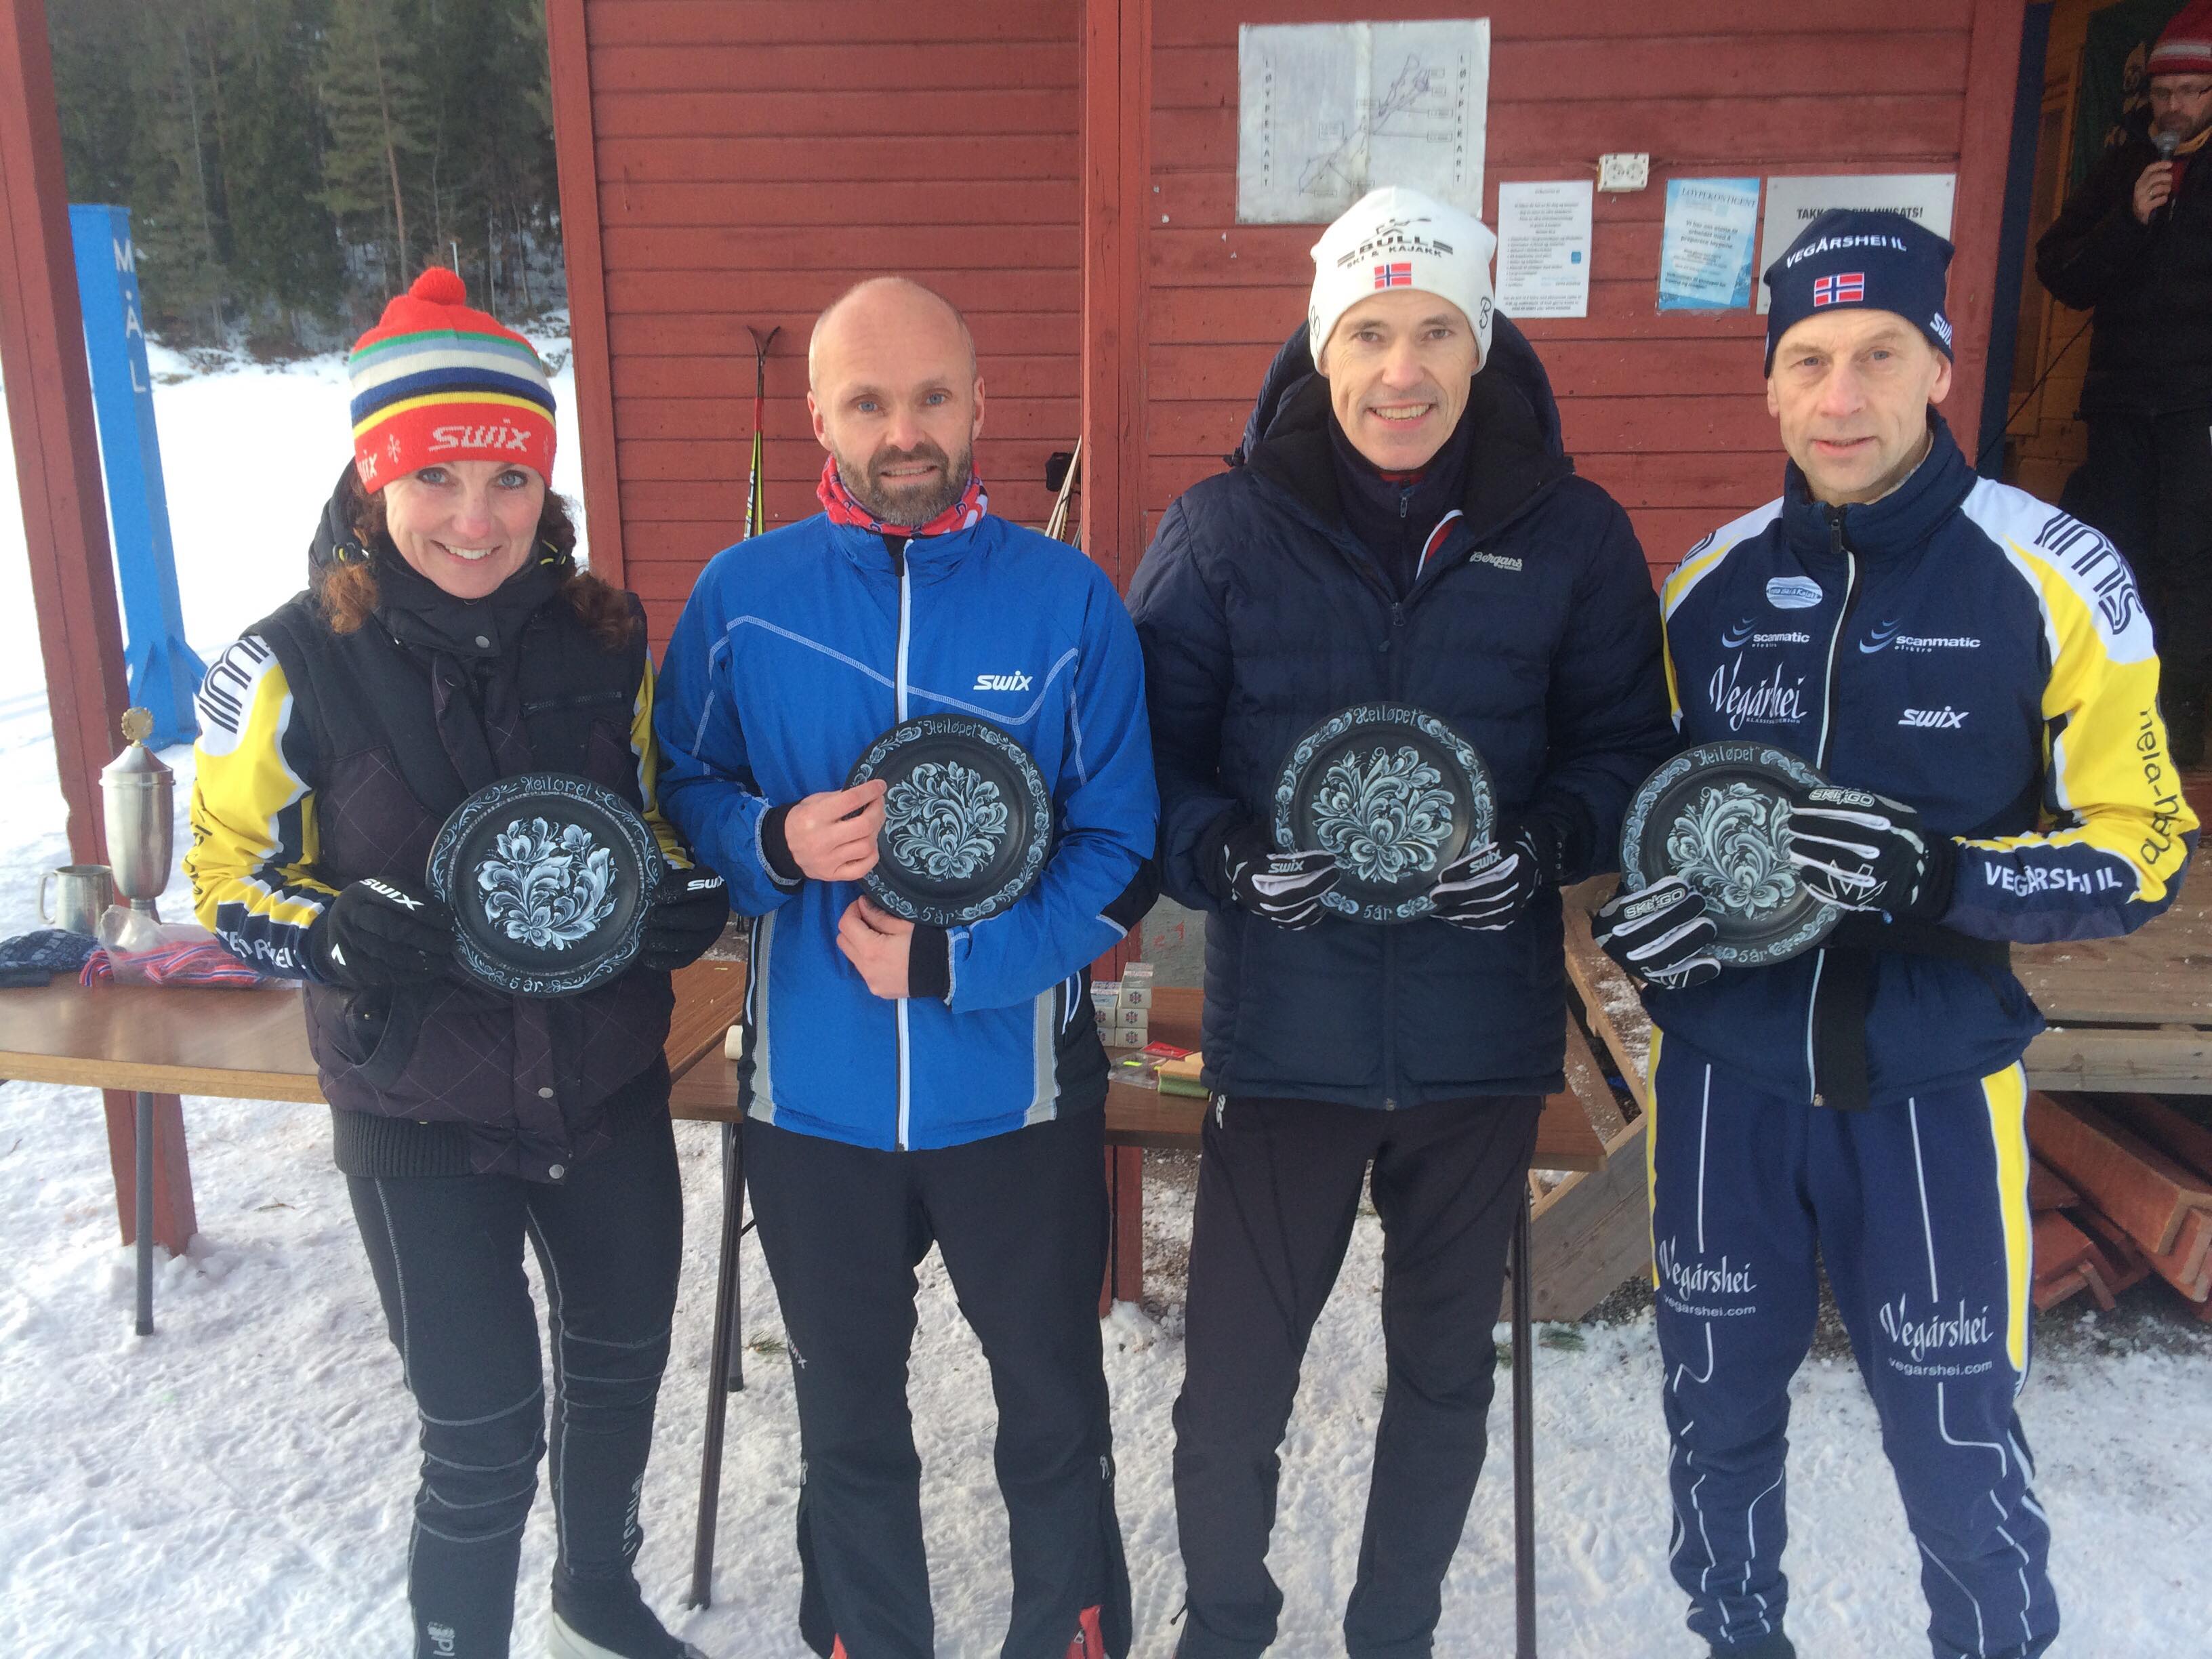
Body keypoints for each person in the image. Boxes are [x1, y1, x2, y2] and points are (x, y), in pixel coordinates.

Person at [1597, 210, 2199, 1659]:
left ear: (1939, 365)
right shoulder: (1706, 583)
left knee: (1952, 1432)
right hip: (1723, 1083)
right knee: (1713, 1411)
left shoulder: (2053, 571)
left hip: (1929, 1085)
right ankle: (1734, 1636)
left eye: (1880, 354)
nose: (1842, 397)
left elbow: (2146, 847)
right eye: (1808, 359)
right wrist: (1649, 918)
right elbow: (1649, 813)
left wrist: (1943, 877)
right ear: (1767, 385)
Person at [1126, 186, 1676, 1659]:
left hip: (1474, 1045)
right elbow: (1146, 760)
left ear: (1480, 343)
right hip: (1285, 1043)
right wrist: (1223, 853)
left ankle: (1395, 1632)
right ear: (1322, 347)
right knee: (1232, 1384)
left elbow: (1625, 749)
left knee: (1444, 1376)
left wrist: (1549, 842)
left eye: (1436, 330)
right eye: (1369, 333)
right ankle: (1225, 1626)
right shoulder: (1219, 529)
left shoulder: (1571, 533)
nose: (1402, 370)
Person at [186, 268, 730, 1659]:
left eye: (509, 479)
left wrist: (680, 892)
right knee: (481, 1432)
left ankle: (596, 1597)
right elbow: (226, 873)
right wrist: (326, 931)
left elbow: (658, 817)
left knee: (619, 1377)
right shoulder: (288, 661)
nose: (475, 519)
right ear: (374, 480)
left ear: (546, 485)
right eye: (435, 477)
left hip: (605, 1086)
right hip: (416, 1109)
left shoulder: (610, 637)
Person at [652, 276, 1158, 1659]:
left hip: (1015, 1095)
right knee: (848, 1420)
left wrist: (963, 961)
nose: (903, 431)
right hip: (812, 1100)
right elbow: (681, 788)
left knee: (1052, 1406)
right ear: (820, 416)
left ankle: (1069, 1633)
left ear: (979, 402)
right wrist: (769, 838)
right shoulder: (743, 597)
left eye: (932, 396)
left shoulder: (1066, 601)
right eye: (868, 402)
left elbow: (1121, 846)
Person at [2035, 0, 2212, 763]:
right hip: (2119, 400)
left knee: (2191, 561)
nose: (2172, 106)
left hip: (2198, 405)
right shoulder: (2124, 167)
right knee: (2115, 558)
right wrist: (2129, 220)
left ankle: (2183, 728)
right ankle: (2116, 716)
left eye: (2191, 92)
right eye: (2163, 92)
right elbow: (2059, 270)